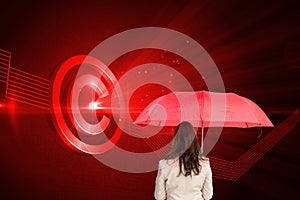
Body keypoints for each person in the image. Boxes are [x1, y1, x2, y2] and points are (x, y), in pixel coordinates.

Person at [154, 121, 213, 200]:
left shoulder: (164, 164)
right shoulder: (204, 164)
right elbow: (208, 196)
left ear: (176, 140)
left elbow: (159, 197)